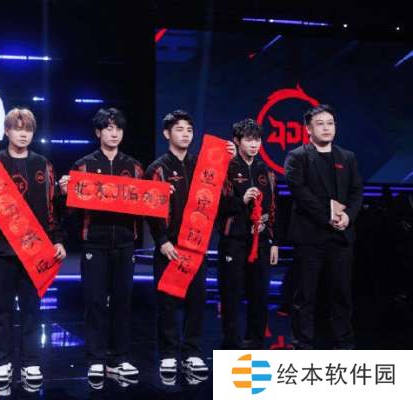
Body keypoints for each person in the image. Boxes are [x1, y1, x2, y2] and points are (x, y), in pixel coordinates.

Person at [0, 108, 66, 386]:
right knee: (1, 309)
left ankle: (31, 362)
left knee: (32, 308)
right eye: (18, 128)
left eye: (28, 129)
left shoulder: (43, 164)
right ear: (7, 131)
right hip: (0, 248)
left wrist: (57, 239)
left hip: (34, 249)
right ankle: (2, 362)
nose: (23, 134)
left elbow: (52, 208)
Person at [145, 110, 236, 380]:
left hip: (196, 245)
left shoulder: (203, 165)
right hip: (169, 246)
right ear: (166, 134)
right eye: (179, 129)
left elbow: (223, 196)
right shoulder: (157, 168)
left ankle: (192, 351)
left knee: (197, 300)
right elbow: (150, 210)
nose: (185, 134)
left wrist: (230, 160)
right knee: (167, 303)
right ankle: (168, 354)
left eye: (189, 130)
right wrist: (161, 240)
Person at [59, 108, 142, 384]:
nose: (114, 133)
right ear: (98, 132)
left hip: (125, 243)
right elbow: (69, 211)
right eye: (108, 128)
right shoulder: (83, 166)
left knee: (122, 301)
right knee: (94, 302)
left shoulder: (134, 167)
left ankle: (120, 357)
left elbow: (145, 204)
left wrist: (160, 197)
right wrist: (65, 192)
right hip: (94, 243)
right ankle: (96, 359)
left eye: (118, 128)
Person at [284, 104, 362, 349]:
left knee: (342, 294)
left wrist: (348, 216)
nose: (326, 128)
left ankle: (344, 343)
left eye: (330, 123)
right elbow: (300, 193)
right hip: (310, 236)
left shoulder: (347, 157)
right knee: (305, 295)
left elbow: (356, 191)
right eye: (320, 124)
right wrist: (327, 217)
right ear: (308, 129)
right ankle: (302, 344)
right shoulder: (297, 157)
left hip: (341, 235)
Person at [216, 118, 279, 350]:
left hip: (261, 242)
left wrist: (274, 241)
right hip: (234, 241)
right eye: (249, 140)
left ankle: (256, 342)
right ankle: (232, 343)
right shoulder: (226, 169)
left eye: (257, 139)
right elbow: (216, 206)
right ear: (236, 140)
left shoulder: (266, 172)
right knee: (231, 294)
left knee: (260, 294)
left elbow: (273, 208)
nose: (254, 144)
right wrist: (240, 200)